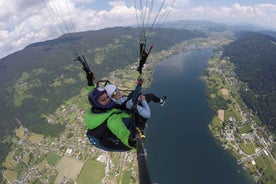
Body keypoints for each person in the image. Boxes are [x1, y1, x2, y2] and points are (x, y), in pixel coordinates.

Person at [84, 73, 137, 151]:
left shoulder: (96, 108)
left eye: (107, 97)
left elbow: (92, 93)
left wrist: (90, 82)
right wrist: (130, 140)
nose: (107, 100)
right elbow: (120, 131)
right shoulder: (112, 118)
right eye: (103, 99)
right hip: (123, 142)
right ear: (97, 103)